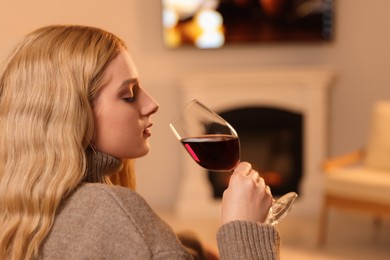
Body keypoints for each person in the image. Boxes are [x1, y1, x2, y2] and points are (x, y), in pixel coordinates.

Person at [0, 25, 280, 259]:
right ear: (72, 113)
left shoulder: (28, 209)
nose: (152, 104)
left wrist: (186, 247)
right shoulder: (111, 209)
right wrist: (245, 230)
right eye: (129, 94)